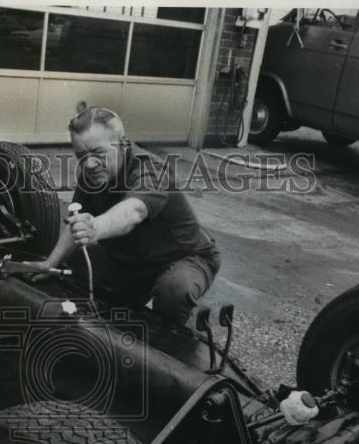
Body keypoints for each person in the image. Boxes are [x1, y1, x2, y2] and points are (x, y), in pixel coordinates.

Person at [34, 107, 220, 325]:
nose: (89, 164)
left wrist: (96, 227)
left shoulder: (152, 171)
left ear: (123, 144)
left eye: (98, 153)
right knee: (71, 261)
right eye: (81, 156)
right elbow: (76, 221)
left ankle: (168, 347)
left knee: (173, 291)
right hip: (132, 258)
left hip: (183, 256)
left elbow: (133, 211)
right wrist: (50, 263)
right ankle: (122, 310)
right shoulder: (91, 174)